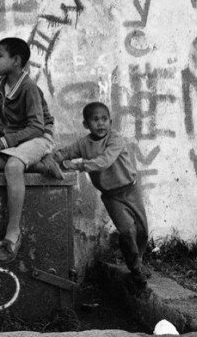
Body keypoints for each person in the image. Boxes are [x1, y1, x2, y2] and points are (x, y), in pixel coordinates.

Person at [0, 38, 60, 263]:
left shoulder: (28, 87)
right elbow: (3, 124)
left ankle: (13, 233)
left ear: (16, 61)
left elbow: (36, 127)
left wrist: (3, 144)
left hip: (39, 137)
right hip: (18, 143)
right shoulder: (1, 86)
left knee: (12, 166)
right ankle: (39, 164)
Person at [55, 102, 149, 290]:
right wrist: (54, 157)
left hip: (131, 189)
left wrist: (77, 165)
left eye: (104, 119)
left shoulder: (115, 139)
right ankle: (135, 269)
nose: (100, 124)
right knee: (126, 231)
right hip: (111, 196)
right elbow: (66, 152)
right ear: (86, 124)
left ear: (111, 122)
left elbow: (104, 162)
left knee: (142, 231)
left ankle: (138, 260)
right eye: (95, 120)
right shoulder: (84, 144)